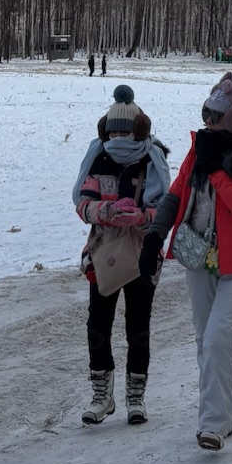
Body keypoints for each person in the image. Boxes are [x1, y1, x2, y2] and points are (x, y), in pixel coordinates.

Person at [145, 71, 232, 451]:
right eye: (205, 114)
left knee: (218, 338)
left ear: (230, 120)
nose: (206, 122)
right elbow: (177, 190)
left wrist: (216, 170)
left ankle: (212, 424)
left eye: (213, 116)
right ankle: (222, 417)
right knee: (206, 341)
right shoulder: (201, 148)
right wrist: (155, 236)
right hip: (199, 256)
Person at [73, 86, 172, 426]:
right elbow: (82, 206)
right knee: (97, 325)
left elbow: (164, 209)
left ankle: (136, 397)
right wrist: (107, 210)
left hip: (143, 255)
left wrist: (142, 218)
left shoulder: (153, 162)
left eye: (124, 131)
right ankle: (102, 396)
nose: (117, 138)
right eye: (112, 131)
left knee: (138, 327)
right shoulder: (97, 160)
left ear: (139, 130)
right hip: (103, 255)